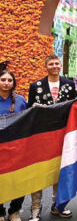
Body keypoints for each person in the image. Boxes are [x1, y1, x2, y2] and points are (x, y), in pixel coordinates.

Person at [27, 55, 76, 221]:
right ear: (46, 66)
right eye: (51, 64)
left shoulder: (69, 85)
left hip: (62, 134)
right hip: (41, 134)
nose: (55, 66)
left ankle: (58, 205)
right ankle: (35, 208)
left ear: (61, 65)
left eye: (57, 63)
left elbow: (74, 109)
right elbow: (29, 111)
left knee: (60, 169)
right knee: (38, 171)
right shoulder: (36, 86)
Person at [0, 70, 26, 221]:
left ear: (13, 83)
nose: (6, 83)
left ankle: (14, 211)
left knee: (19, 180)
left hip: (16, 149)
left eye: (9, 80)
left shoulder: (21, 101)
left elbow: (28, 120)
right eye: (3, 79)